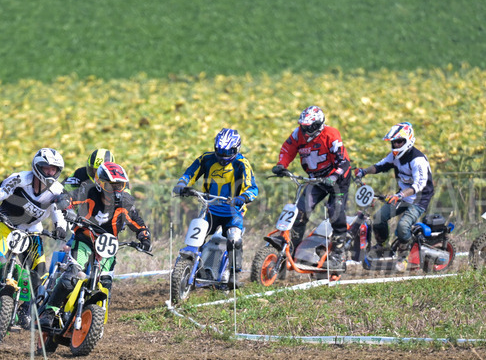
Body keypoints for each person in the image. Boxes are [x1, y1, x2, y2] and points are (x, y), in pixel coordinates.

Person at [0, 148, 70, 322]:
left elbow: (59, 211)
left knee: (39, 271)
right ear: (37, 167)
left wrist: (61, 228)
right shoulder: (20, 179)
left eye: (54, 169)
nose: (50, 172)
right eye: (46, 168)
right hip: (7, 224)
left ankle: (27, 309)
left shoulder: (57, 190)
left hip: (33, 230)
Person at [40, 161, 151, 329]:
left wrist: (144, 237)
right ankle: (49, 312)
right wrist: (66, 207)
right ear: (99, 183)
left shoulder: (126, 202)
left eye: (118, 185)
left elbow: (137, 222)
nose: (115, 190)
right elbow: (68, 197)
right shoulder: (88, 191)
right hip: (85, 238)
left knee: (105, 282)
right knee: (72, 274)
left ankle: (97, 323)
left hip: (108, 245)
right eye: (110, 185)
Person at [173, 128, 258, 288]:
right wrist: (182, 185)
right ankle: (193, 267)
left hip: (233, 211)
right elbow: (190, 173)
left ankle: (234, 275)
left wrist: (242, 198)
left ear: (236, 149)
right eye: (220, 151)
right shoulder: (206, 159)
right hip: (209, 208)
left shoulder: (241, 163)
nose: (223, 156)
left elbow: (252, 188)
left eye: (228, 152)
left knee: (234, 238)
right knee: (195, 239)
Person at [271, 105, 352, 266]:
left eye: (309, 127)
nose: (305, 130)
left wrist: (334, 176)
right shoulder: (297, 134)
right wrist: (282, 164)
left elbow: (344, 162)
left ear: (318, 124)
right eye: (303, 126)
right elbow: (288, 148)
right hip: (315, 179)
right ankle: (289, 253)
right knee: (300, 212)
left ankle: (338, 252)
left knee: (334, 211)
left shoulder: (331, 134)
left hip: (338, 178)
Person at [353, 121, 434, 257]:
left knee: (403, 226)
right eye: (394, 142)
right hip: (402, 196)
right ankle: (382, 246)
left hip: (419, 199)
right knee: (378, 218)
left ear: (408, 141)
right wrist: (363, 172)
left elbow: (419, 185)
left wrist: (400, 195)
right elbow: (379, 166)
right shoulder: (395, 156)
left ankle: (405, 253)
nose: (396, 145)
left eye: (399, 142)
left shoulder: (417, 160)